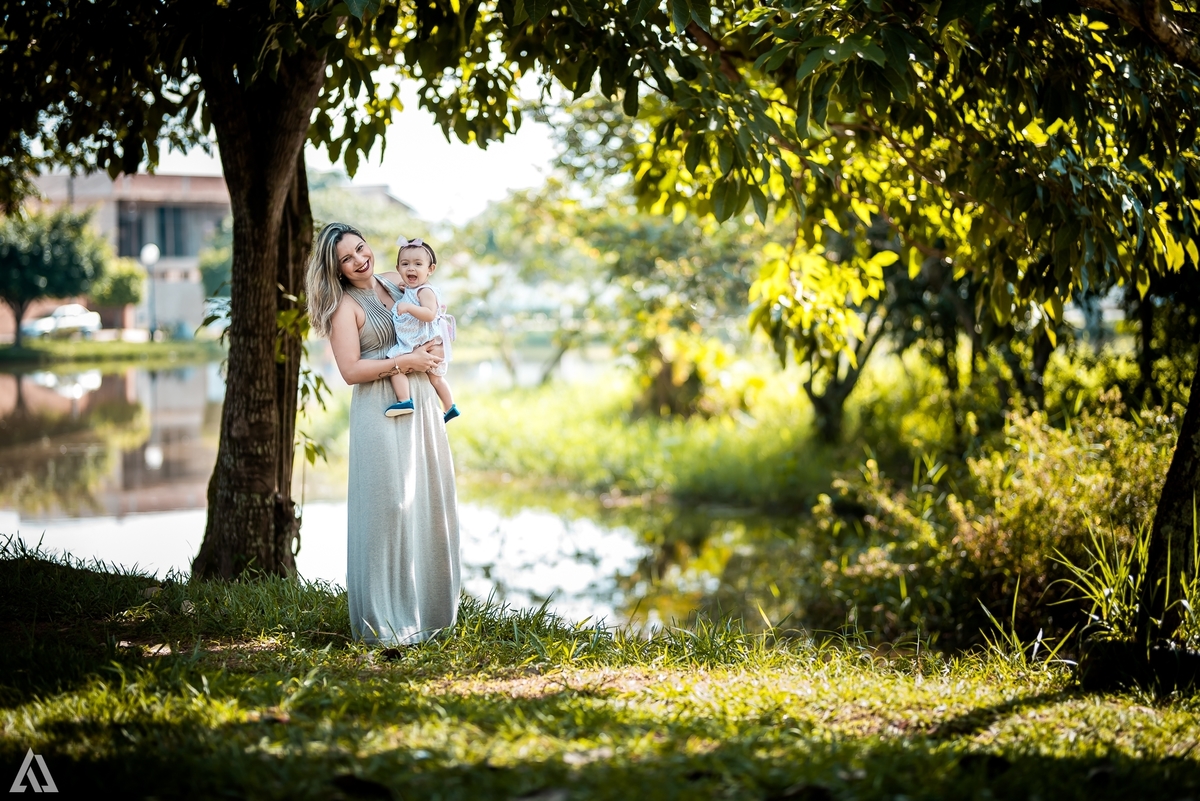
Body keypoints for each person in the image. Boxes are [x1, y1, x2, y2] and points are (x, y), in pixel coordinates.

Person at [305, 221, 460, 646]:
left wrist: (436, 348)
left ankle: (428, 616)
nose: (358, 260)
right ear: (335, 269)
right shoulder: (344, 307)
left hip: (423, 401)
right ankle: (383, 623)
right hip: (380, 407)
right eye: (346, 259)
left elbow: (433, 311)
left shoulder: (396, 282)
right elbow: (351, 371)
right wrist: (404, 363)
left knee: (425, 502)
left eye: (360, 248)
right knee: (388, 507)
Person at [383, 236, 460, 423]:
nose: (411, 268)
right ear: (398, 269)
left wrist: (408, 307)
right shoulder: (413, 289)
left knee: (395, 365)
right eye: (405, 263)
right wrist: (406, 289)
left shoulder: (424, 291)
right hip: (422, 342)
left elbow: (429, 313)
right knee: (436, 379)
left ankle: (404, 401)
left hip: (420, 343)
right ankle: (450, 407)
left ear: (430, 269)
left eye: (418, 264)